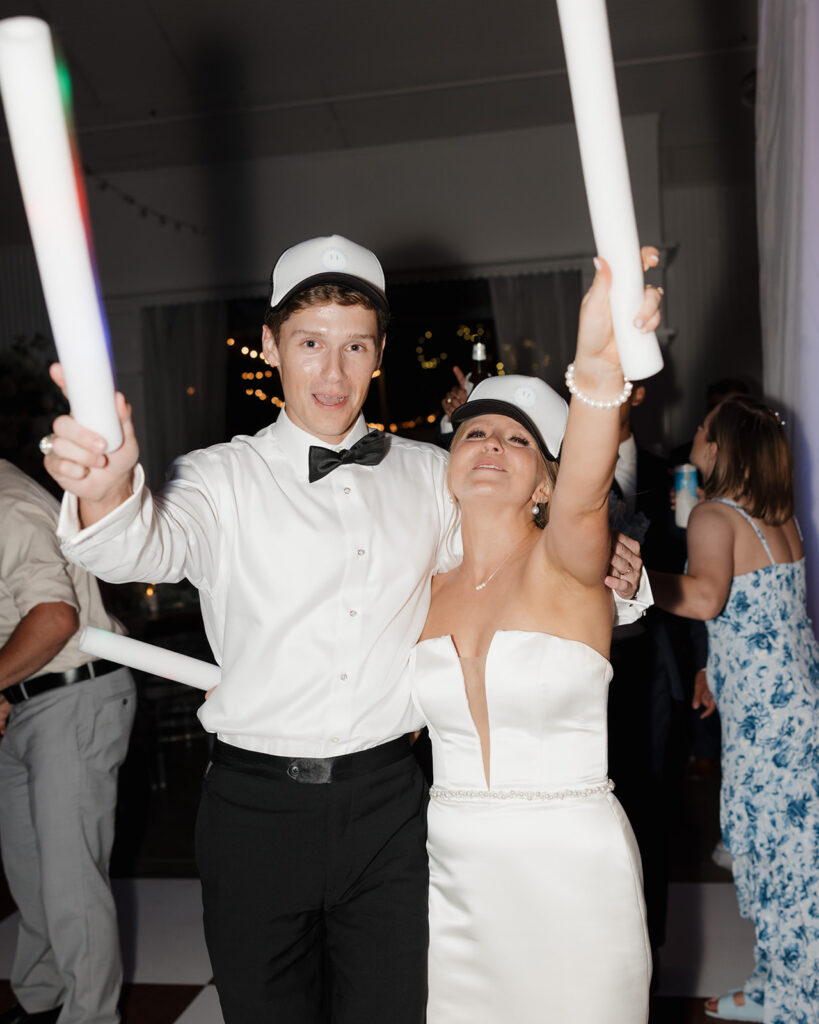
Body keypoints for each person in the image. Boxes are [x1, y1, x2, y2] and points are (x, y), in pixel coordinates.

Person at [42, 235, 648, 1024]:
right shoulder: (217, 478)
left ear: (379, 353)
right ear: (269, 347)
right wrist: (104, 493)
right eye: (310, 344)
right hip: (253, 809)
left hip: (390, 809)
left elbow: (528, 555)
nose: (332, 373)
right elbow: (135, 545)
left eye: (354, 345)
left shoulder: (436, 474)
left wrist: (618, 578)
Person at [409, 251, 661, 1023]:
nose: (490, 445)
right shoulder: (416, 590)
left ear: (546, 480)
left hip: (571, 871)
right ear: (448, 462)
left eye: (517, 442)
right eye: (475, 432)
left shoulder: (568, 566)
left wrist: (594, 367)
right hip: (458, 876)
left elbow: (588, 494)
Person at [649, 395, 819, 1023]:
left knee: (782, 864)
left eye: (703, 428)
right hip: (795, 710)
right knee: (792, 860)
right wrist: (710, 669)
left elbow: (704, 599)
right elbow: (769, 617)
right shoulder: (778, 517)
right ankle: (777, 985)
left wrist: (638, 580)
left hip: (769, 728)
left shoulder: (715, 517)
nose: (694, 431)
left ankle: (800, 1003)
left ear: (719, 449)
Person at [0, 459, 136, 1024]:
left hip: (75, 693)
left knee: (69, 883)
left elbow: (55, 616)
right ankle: (42, 1000)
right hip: (23, 700)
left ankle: (89, 1016)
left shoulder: (4, 504)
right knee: (30, 875)